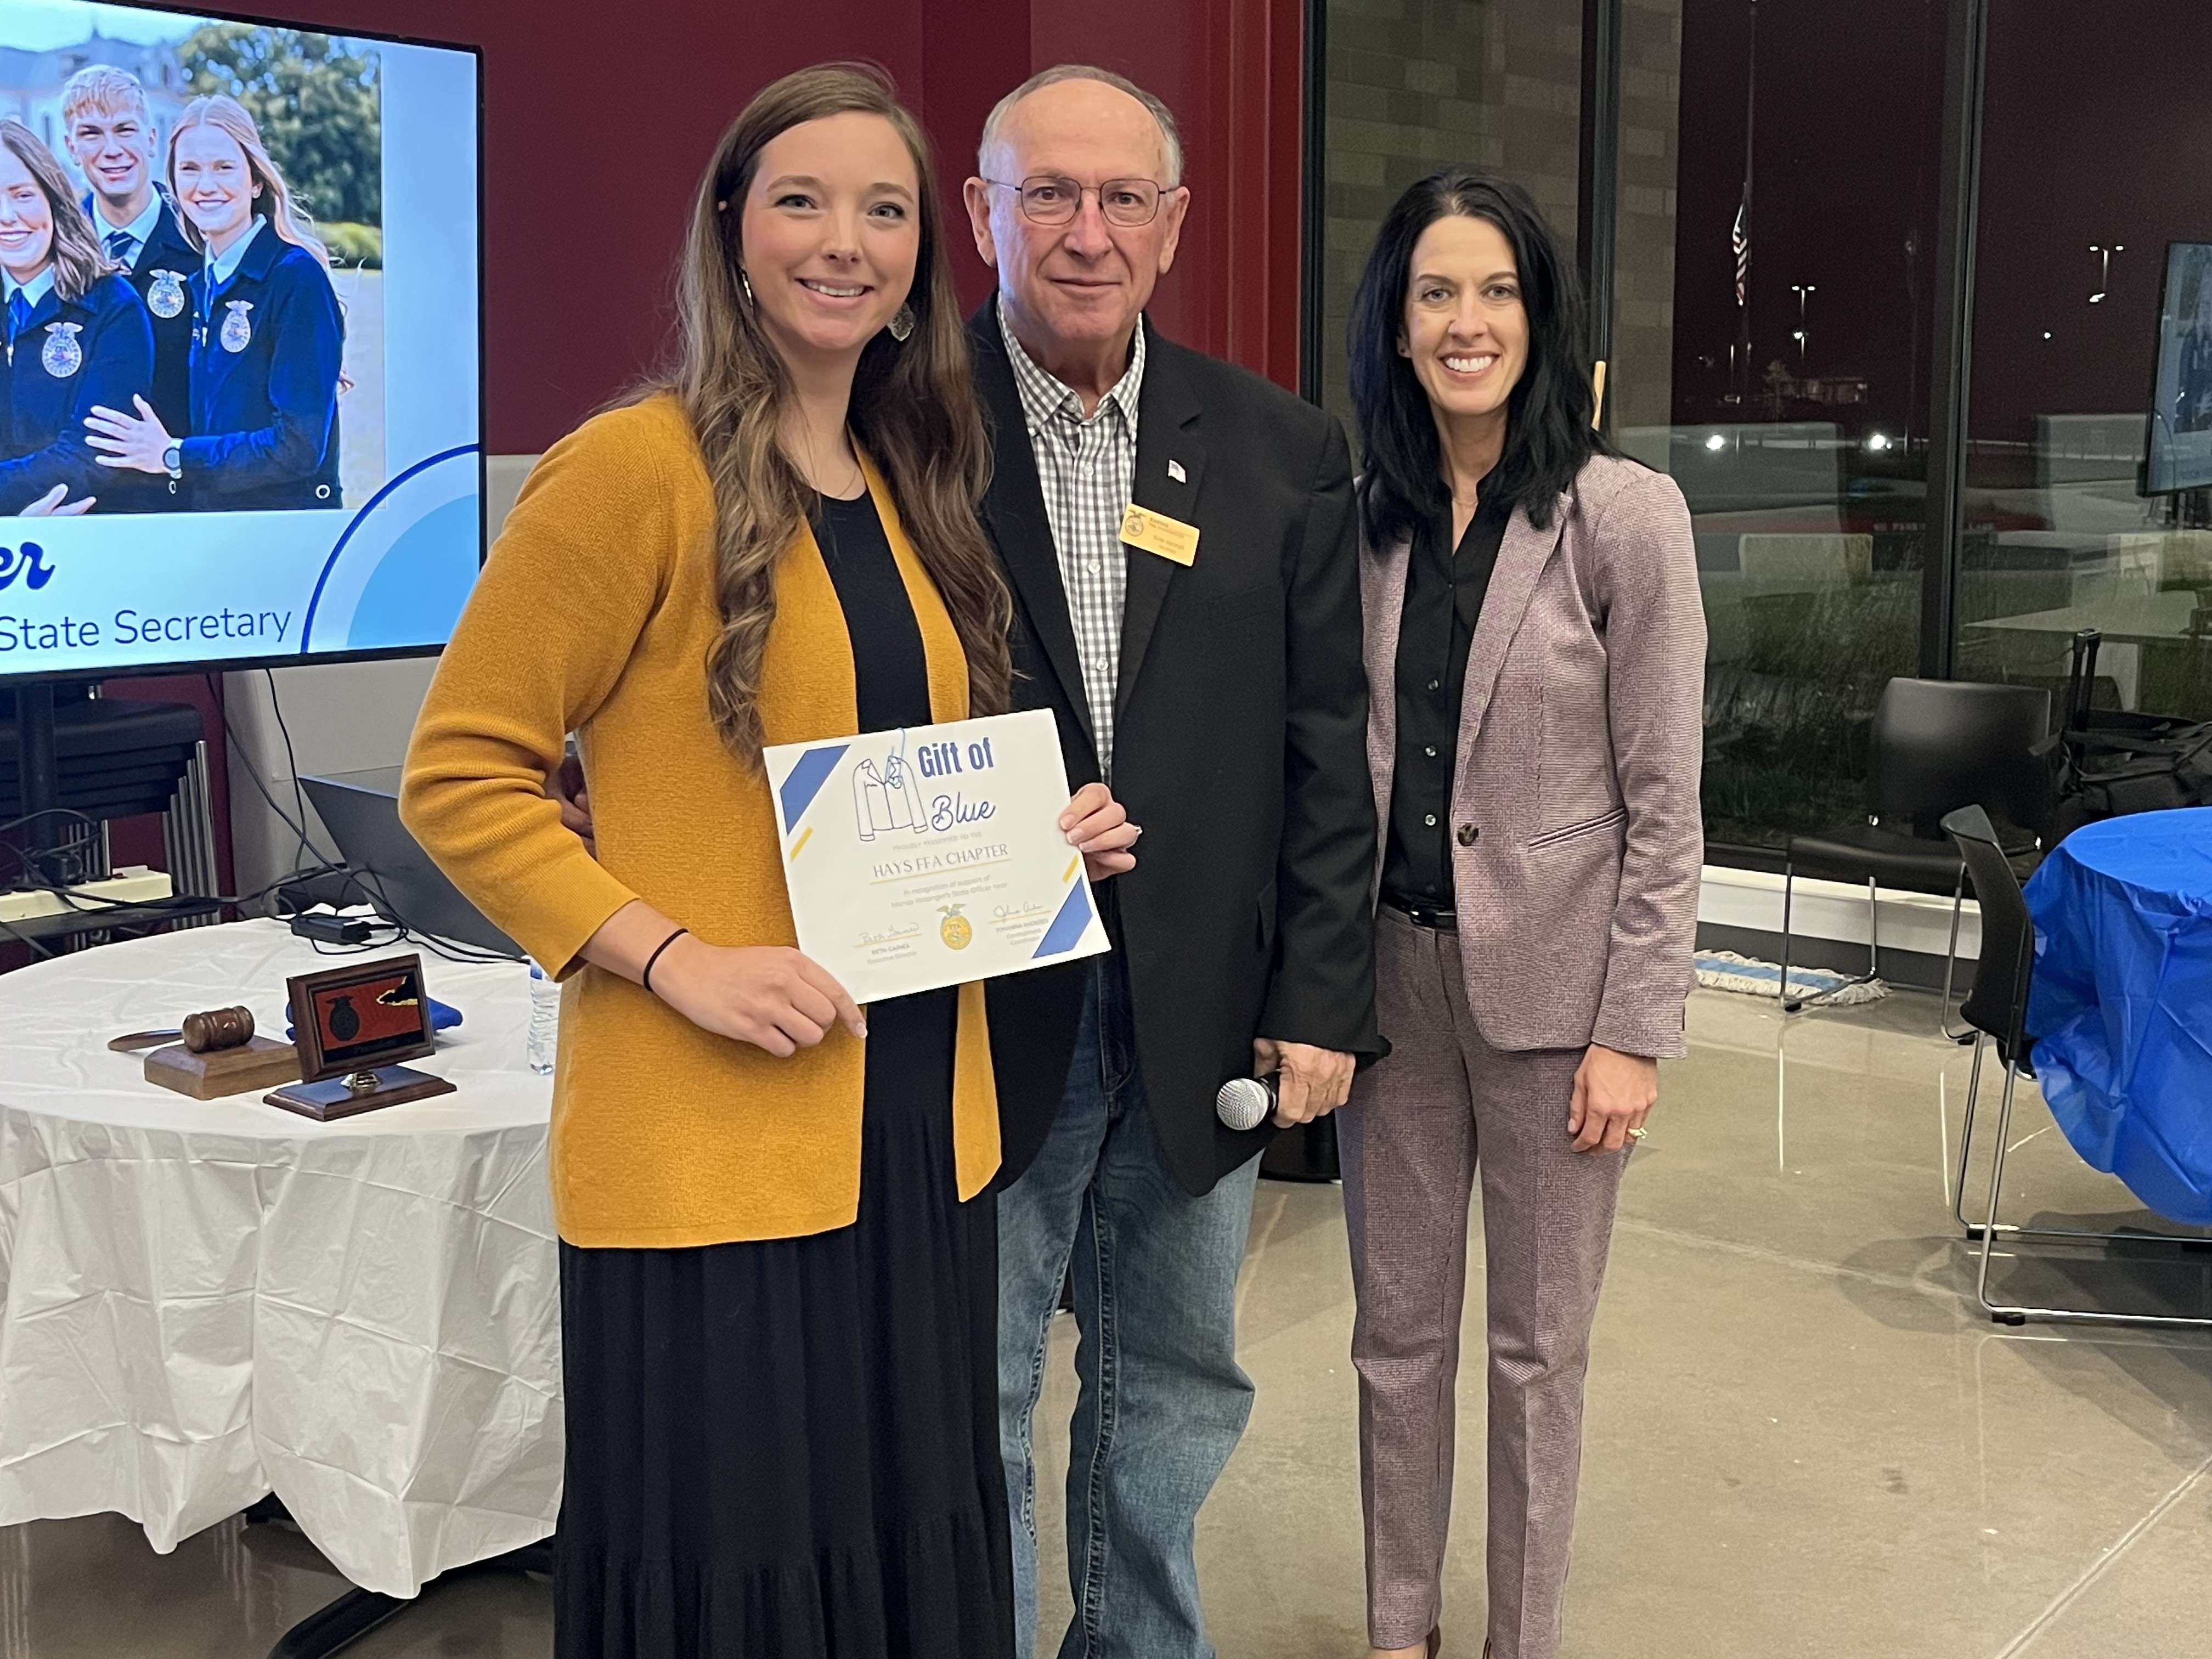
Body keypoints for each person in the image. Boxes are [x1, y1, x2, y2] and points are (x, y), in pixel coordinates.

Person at [400, 64, 1138, 1659]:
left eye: (884, 210)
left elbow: (881, 774)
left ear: (919, 267)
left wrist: (1042, 835)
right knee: (740, 1580)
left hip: (914, 1142)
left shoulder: (913, 484)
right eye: (802, 200)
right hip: (715, 1143)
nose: (846, 242)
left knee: (900, 1543)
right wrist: (675, 956)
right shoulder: (632, 473)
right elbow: (458, 774)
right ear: (732, 233)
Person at [967, 67, 1376, 1659]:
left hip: (1203, 1005)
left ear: (1176, 222)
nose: (1086, 231)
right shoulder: (893, 424)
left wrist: (1321, 999)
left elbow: (1327, 751)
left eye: (1122, 197)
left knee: (1178, 1384)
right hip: (985, 1007)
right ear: (982, 214)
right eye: (1047, 194)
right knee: (981, 1391)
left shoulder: (1280, 449)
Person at [1335, 170, 1705, 1659]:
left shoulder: (1624, 516)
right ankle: (1400, 1632)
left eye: (1497, 291)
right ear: (1399, 322)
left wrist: (1637, 1030)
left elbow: (1665, 800)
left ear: (1541, 319)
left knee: (1538, 1355)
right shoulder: (1364, 517)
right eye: (1437, 292)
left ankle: (1521, 1642)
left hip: (1560, 1012)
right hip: (1392, 998)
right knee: (1394, 1346)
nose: (1467, 320)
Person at [82, 94, 343, 510]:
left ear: (255, 180)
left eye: (224, 168)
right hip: (216, 531)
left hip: (286, 537)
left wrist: (173, 455)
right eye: (189, 169)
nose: (205, 186)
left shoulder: (294, 276)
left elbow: (299, 446)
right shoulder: (203, 281)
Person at [0, 119, 151, 515]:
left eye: (22, 195)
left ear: (53, 199)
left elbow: (88, 456)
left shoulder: (114, 308)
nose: (8, 215)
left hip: (91, 542)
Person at [61, 65, 195, 509]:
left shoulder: (202, 238)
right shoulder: (51, 248)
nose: (111, 149)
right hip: (80, 504)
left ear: (151, 138)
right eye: (91, 134)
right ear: (71, 147)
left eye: (125, 129)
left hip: (186, 501)